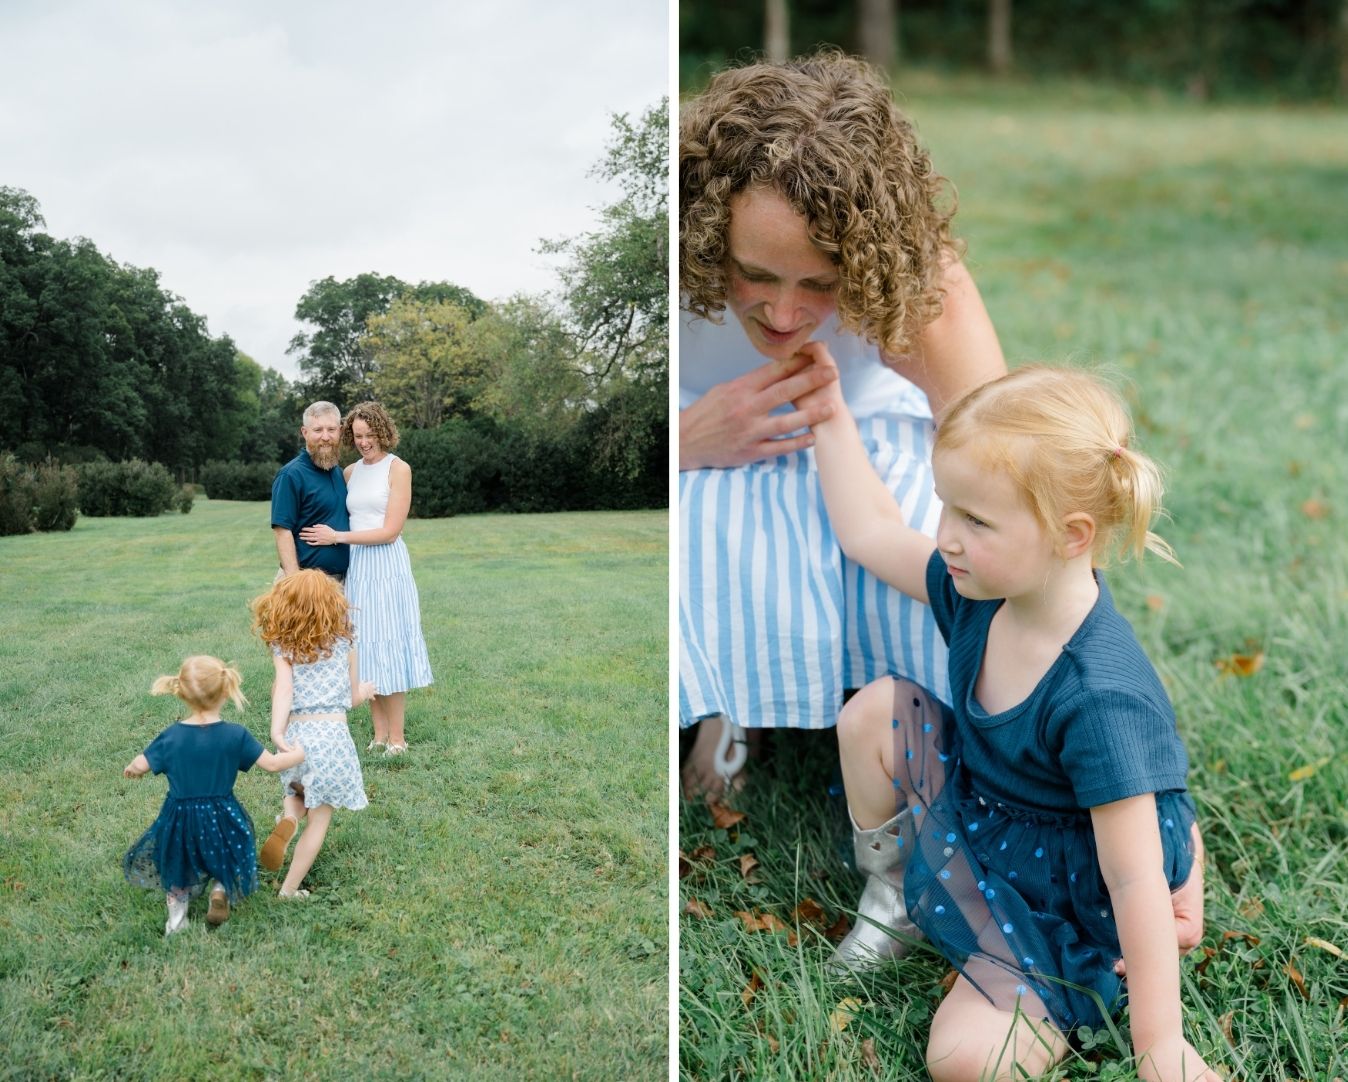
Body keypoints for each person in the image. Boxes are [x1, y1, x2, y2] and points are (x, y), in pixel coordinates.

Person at [803, 358, 1217, 1081]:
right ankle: (895, 891)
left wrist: (1160, 1044)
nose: (946, 537)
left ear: (1071, 535)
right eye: (946, 507)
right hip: (991, 808)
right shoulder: (981, 590)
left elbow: (1130, 881)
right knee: (874, 711)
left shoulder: (1099, 697)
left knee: (964, 1060)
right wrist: (828, 410)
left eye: (975, 519)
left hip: (1074, 883)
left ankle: (1173, 850)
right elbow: (870, 532)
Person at [678, 49, 1006, 798]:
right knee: (707, 532)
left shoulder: (914, 273)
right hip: (700, 446)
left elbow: (999, 454)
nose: (784, 314)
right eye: (754, 275)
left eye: (819, 285)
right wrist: (689, 438)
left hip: (861, 440)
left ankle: (944, 725)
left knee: (953, 551)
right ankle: (728, 711)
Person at [123, 656, 304, 934]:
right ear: (225, 691)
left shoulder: (171, 737)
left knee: (179, 863)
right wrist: (298, 754)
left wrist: (133, 770)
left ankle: (177, 921)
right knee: (228, 852)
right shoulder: (235, 735)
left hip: (181, 818)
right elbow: (271, 764)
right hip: (223, 813)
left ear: (181, 693)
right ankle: (220, 888)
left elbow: (141, 763)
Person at [299, 401, 433, 755]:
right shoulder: (349, 473)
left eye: (370, 435)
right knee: (365, 647)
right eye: (357, 436)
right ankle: (378, 735)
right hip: (358, 567)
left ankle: (398, 738)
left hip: (386, 566)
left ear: (384, 432)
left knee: (389, 643)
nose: (364, 442)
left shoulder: (398, 469)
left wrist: (337, 538)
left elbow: (390, 531)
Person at [250, 570, 375, 898]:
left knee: (297, 793)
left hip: (297, 736)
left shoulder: (283, 646)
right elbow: (351, 698)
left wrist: (277, 731)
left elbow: (284, 689)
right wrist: (366, 691)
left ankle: (290, 819)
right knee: (319, 820)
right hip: (331, 737)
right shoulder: (345, 642)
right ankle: (288, 890)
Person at [270, 401, 350, 580]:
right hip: (305, 582)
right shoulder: (291, 475)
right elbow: (282, 531)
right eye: (318, 430)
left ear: (340, 431)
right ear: (304, 432)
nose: (325, 437)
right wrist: (295, 582)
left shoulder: (339, 473)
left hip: (342, 582)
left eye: (331, 429)